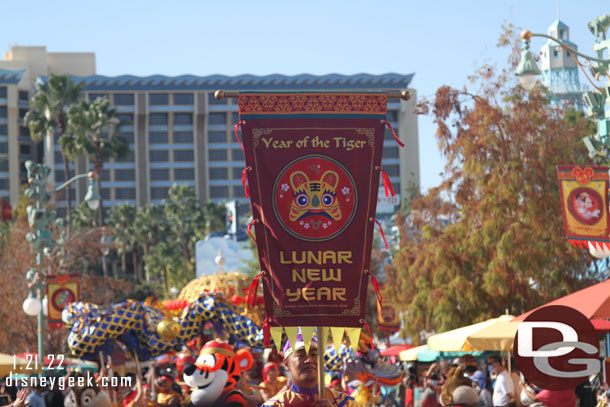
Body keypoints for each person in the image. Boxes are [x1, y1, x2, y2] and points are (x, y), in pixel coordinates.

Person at [262, 333, 361, 407]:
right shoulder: (273, 405)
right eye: (301, 355)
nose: (309, 360)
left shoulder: (346, 402)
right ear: (286, 364)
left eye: (314, 354)